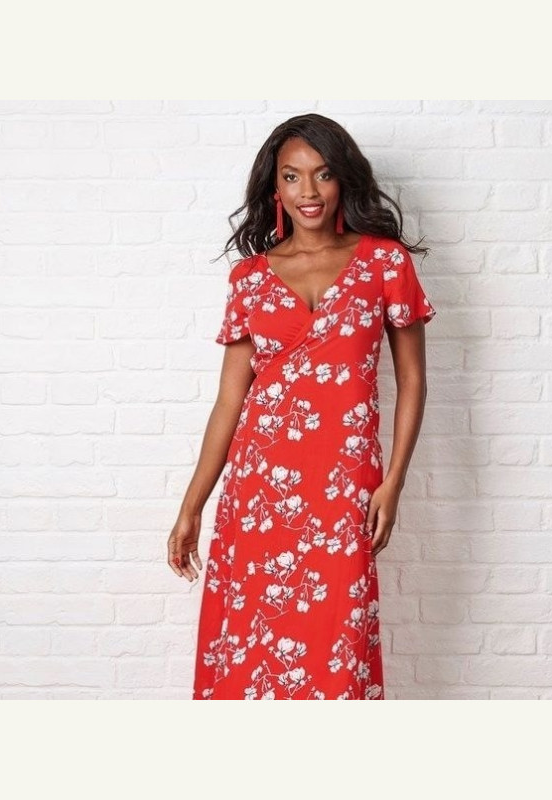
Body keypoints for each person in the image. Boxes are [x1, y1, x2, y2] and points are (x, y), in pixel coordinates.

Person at [167, 113, 437, 700]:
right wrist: (192, 506)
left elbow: (413, 380)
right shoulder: (249, 279)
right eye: (292, 176)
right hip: (258, 493)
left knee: (338, 642)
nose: (308, 191)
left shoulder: (385, 262)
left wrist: (392, 482)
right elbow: (230, 401)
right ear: (275, 188)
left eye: (322, 174)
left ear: (344, 179)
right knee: (251, 649)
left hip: (344, 484)